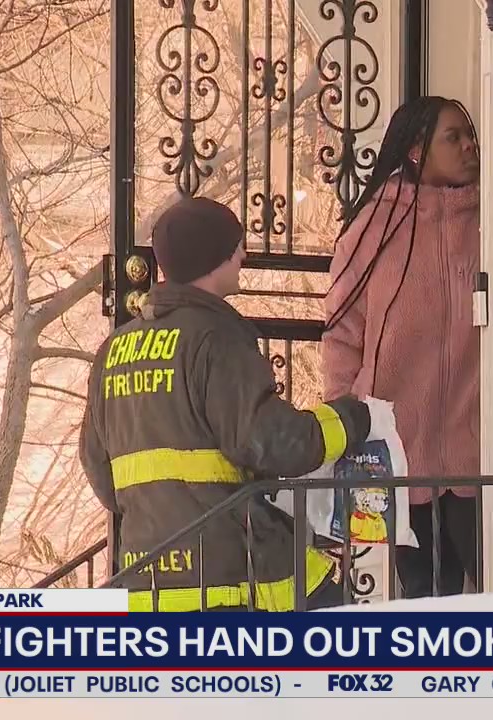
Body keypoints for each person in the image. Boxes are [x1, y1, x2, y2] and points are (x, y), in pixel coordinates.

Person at [79, 195, 371, 612]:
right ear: (215, 255)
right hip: (232, 574)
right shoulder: (216, 338)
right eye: (237, 247)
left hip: (150, 582)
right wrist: (349, 418)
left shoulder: (114, 350)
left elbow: (98, 467)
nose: (244, 255)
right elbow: (273, 443)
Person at [321, 96, 481, 599]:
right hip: (398, 449)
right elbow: (342, 332)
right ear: (415, 150)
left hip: (479, 448)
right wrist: (345, 421)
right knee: (426, 598)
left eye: (469, 134)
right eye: (452, 137)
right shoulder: (372, 228)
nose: (469, 146)